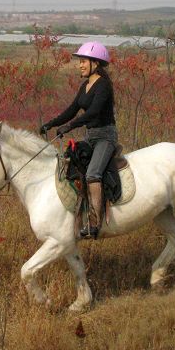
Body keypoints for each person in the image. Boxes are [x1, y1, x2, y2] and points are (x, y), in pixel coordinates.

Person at [40, 41, 117, 239]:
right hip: (90, 137)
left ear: (95, 63)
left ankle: (94, 223)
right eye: (80, 62)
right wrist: (51, 124)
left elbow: (93, 112)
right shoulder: (85, 86)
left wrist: (71, 126)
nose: (80, 65)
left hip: (105, 137)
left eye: (83, 61)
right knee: (73, 170)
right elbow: (72, 109)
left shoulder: (104, 86)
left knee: (92, 174)